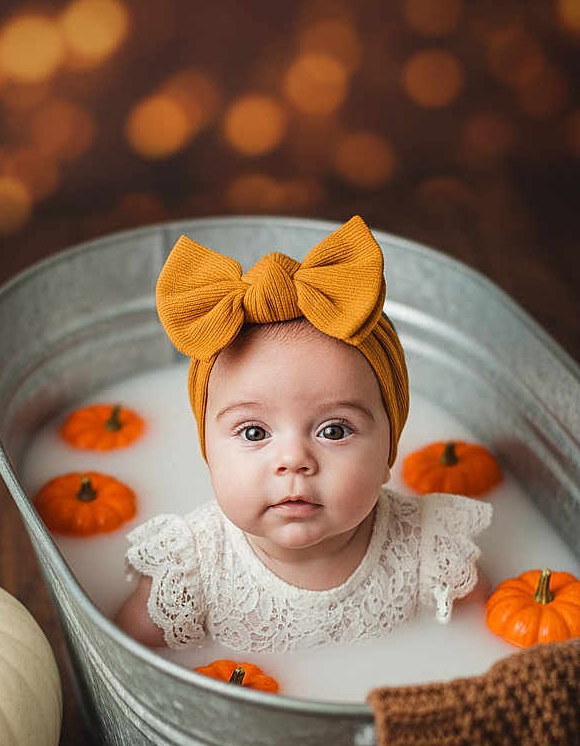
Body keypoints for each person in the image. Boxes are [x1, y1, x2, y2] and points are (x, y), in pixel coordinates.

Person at [115, 216, 492, 652]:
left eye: (334, 429)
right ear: (208, 453)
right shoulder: (189, 569)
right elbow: (123, 657)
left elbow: (488, 641)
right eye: (254, 432)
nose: (294, 459)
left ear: (390, 450)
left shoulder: (428, 547)